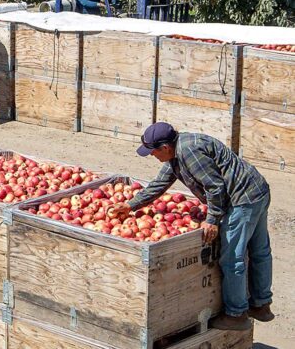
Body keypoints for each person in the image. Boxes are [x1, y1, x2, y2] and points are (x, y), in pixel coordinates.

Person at [109, 122, 274, 331]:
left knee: (233, 258)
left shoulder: (188, 152)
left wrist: (213, 220)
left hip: (242, 199)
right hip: (257, 190)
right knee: (260, 251)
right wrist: (130, 205)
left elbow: (215, 187)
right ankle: (261, 304)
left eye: (152, 152)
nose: (152, 156)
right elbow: (160, 184)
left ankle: (236, 314)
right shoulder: (177, 152)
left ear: (165, 147)